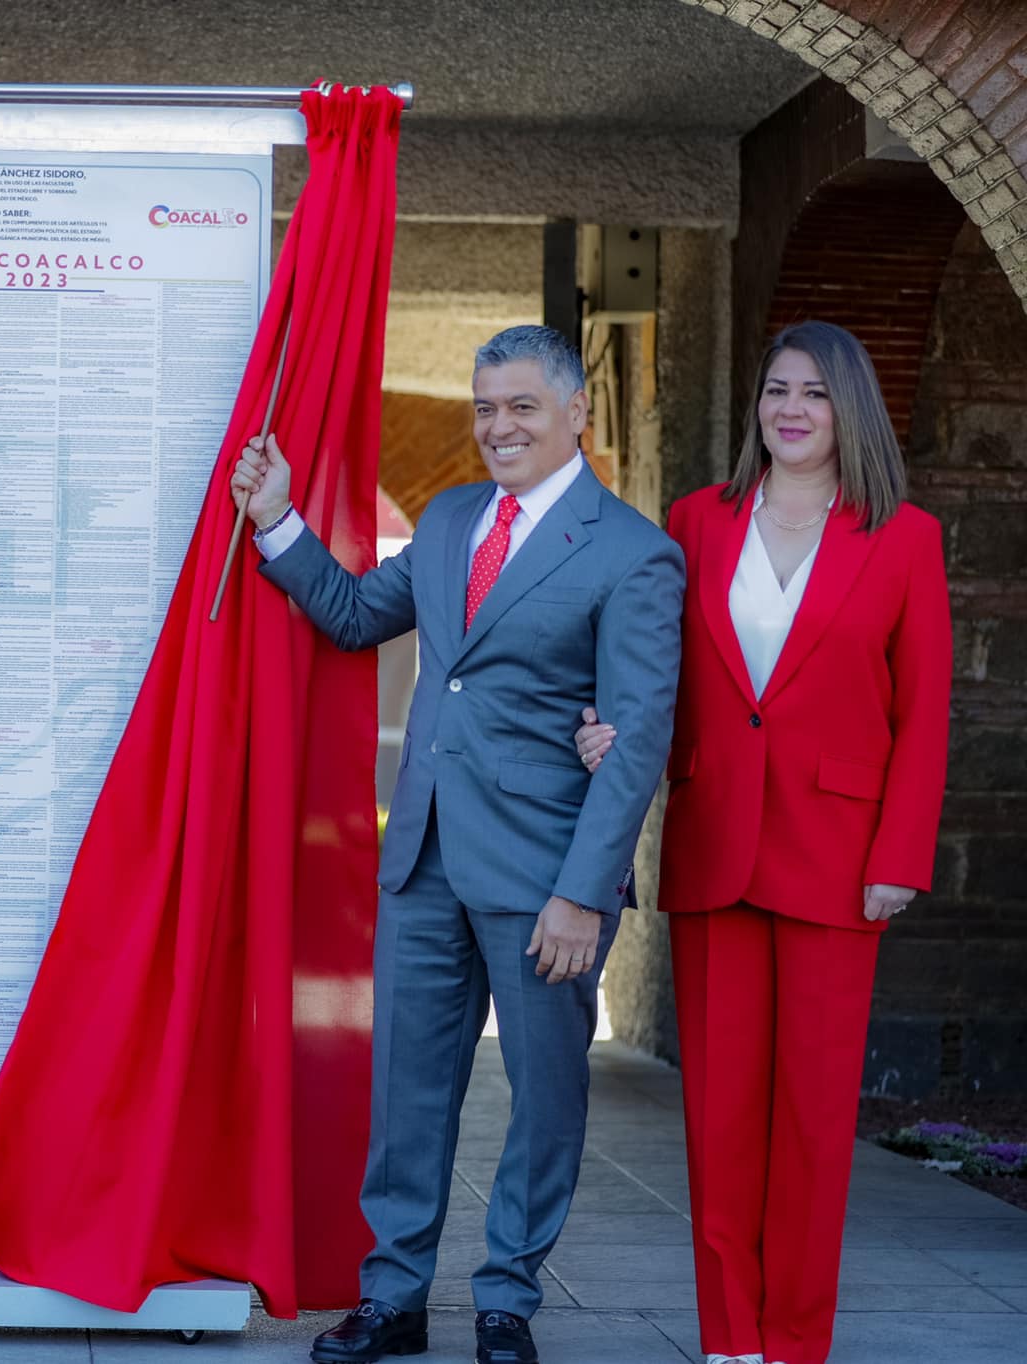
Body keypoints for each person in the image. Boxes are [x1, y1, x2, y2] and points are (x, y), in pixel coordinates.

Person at [230, 324, 684, 1364]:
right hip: (424, 856)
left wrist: (584, 892)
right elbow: (350, 616)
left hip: (542, 875)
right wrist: (277, 521)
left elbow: (634, 740)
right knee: (406, 1093)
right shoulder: (443, 522)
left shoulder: (632, 553)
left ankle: (506, 1300)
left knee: (543, 1099)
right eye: (483, 407)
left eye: (520, 406)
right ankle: (391, 1298)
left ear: (574, 412)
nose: (496, 426)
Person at [572, 320, 950, 1364]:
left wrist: (897, 858)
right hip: (713, 844)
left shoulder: (902, 537)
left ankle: (793, 1340)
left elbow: (922, 712)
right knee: (720, 1114)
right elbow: (646, 659)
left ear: (847, 412)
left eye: (814, 393)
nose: (789, 408)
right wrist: (612, 723)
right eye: (776, 388)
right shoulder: (696, 520)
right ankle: (729, 1336)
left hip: (838, 856)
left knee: (813, 1119)